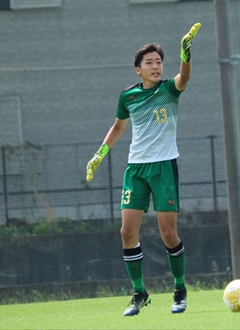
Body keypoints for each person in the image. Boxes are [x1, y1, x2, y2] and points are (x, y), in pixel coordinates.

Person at [85, 23, 201, 316]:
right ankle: (139, 293)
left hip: (163, 168)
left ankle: (179, 288)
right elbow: (118, 127)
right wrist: (99, 154)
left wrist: (185, 52)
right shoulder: (128, 96)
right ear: (138, 69)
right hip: (135, 170)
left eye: (159, 62)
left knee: (168, 234)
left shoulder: (169, 90)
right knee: (126, 232)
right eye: (149, 62)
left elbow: (184, 76)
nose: (155, 66)